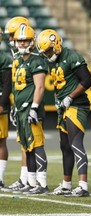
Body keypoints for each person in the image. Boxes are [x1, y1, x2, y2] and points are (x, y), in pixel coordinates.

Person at [36, 29, 91, 197]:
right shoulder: (54, 61)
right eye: (45, 52)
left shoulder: (72, 57)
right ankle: (67, 184)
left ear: (57, 44)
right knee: (65, 147)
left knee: (75, 144)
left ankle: (83, 185)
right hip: (64, 107)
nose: (47, 54)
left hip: (77, 105)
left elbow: (87, 80)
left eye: (48, 50)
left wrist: (70, 96)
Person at [12, 25, 49, 194]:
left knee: (37, 145)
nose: (21, 43)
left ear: (32, 41)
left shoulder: (36, 60)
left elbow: (40, 87)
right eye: (19, 40)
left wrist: (34, 108)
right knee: (27, 147)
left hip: (30, 109)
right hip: (21, 109)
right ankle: (32, 182)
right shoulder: (20, 61)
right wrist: (15, 107)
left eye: (25, 40)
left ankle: (42, 183)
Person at [1, 16, 31, 193]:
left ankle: (31, 179)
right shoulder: (17, 56)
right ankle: (25, 178)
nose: (11, 40)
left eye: (13, 35)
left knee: (30, 143)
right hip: (20, 104)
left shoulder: (30, 56)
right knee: (24, 143)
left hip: (29, 105)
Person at [0, 27, 12, 188]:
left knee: (0, 141)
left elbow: (7, 85)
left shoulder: (3, 58)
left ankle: (0, 178)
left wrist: (2, 103)